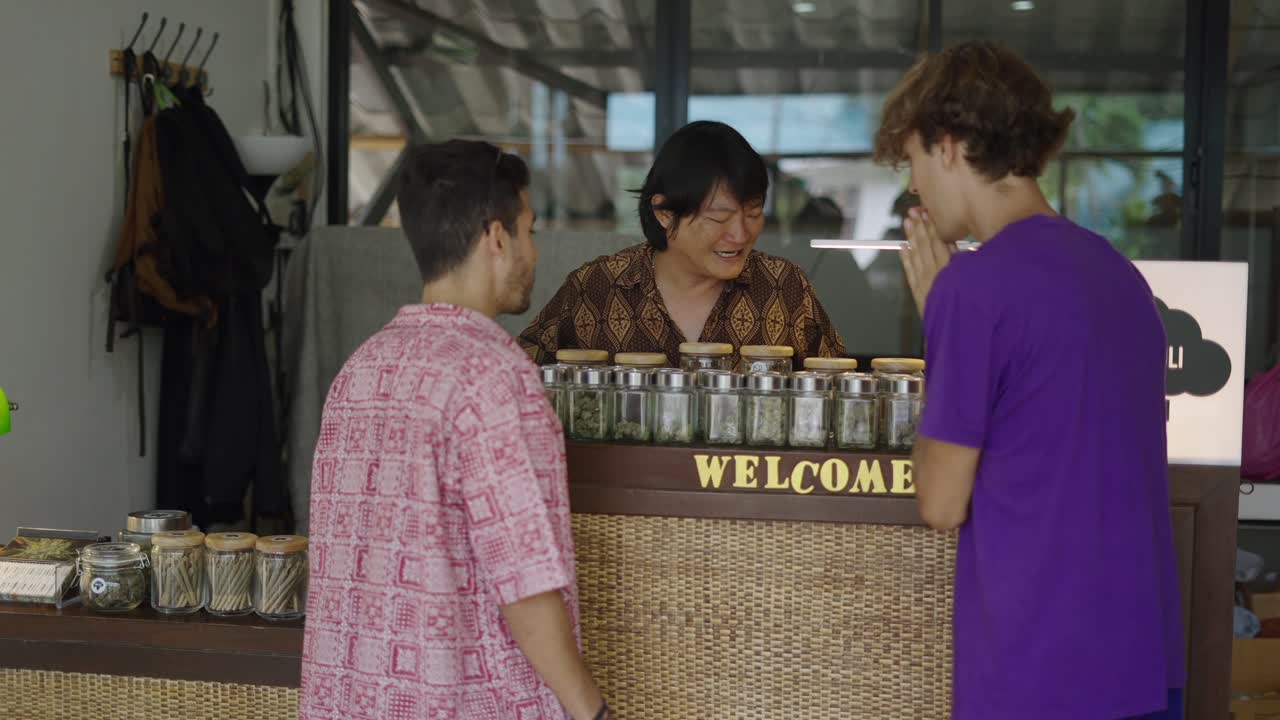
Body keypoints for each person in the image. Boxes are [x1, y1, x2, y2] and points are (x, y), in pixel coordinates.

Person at [874, 41, 1184, 720]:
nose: (915, 185)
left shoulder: (974, 292)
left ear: (950, 144)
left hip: (1036, 671)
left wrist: (940, 324)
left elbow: (940, 501)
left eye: (915, 161)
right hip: (1144, 660)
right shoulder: (1120, 276)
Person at [299, 140, 611, 720]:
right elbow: (525, 584)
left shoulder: (360, 372)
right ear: (496, 238)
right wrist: (590, 710)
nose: (534, 251)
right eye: (530, 230)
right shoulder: (494, 378)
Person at [518, 120, 846, 368]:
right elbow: (519, 380)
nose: (741, 233)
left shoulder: (785, 289)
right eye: (719, 217)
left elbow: (835, 391)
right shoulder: (596, 289)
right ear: (663, 212)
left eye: (754, 211)